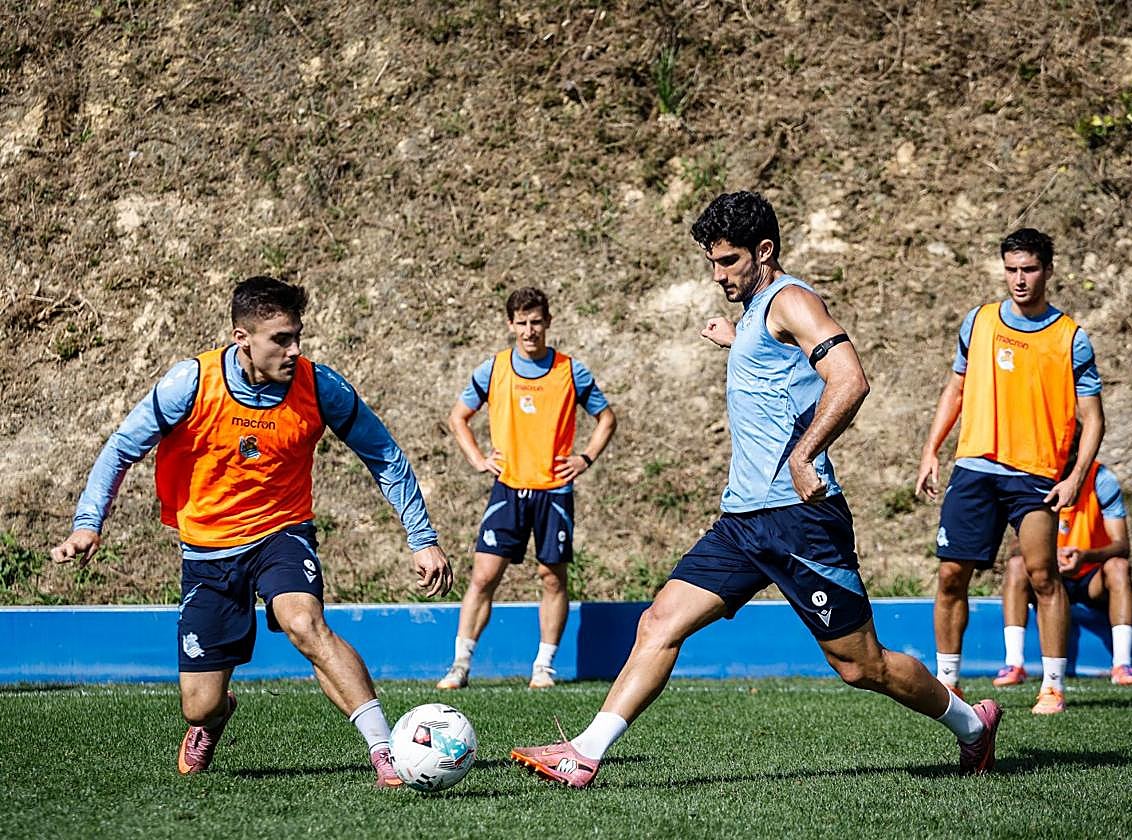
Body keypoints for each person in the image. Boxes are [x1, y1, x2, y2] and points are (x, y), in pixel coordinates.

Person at [510, 191, 1002, 789]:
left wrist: (805, 453)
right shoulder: (756, 313)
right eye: (712, 263)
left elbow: (850, 378)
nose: (718, 275)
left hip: (801, 520)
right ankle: (583, 754)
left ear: (764, 251)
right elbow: (773, 362)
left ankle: (972, 725)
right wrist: (736, 336)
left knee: (861, 666)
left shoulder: (792, 299)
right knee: (658, 622)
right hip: (742, 521)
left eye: (728, 261)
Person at [51, 277, 453, 787]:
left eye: (297, 336)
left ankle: (385, 751)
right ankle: (215, 718)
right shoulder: (191, 384)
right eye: (280, 339)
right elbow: (121, 448)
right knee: (199, 705)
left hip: (282, 532)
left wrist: (422, 539)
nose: (294, 350)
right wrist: (88, 524)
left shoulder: (320, 387)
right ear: (242, 338)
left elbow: (384, 455)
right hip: (208, 549)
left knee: (304, 623)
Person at [916, 228, 1105, 715]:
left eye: (1029, 269)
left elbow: (1093, 419)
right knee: (951, 574)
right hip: (974, 467)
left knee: (1043, 575)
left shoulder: (1070, 338)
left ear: (1048, 270)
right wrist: (931, 449)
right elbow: (956, 389)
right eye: (1012, 269)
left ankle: (1052, 687)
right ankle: (948, 684)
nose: (1019, 279)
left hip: (1036, 475)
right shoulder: (978, 322)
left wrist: (1075, 478)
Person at [436, 287, 616, 690]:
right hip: (508, 488)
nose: (529, 330)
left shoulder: (570, 371)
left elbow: (606, 418)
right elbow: (458, 417)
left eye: (536, 322)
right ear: (510, 324)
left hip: (555, 491)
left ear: (548, 322)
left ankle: (543, 667)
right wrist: (478, 459)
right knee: (484, 576)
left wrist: (585, 458)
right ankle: (460, 665)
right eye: (522, 322)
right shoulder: (494, 369)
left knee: (552, 577)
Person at [994, 459, 1132, 686]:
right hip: (1046, 574)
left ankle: (1122, 665)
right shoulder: (1034, 474)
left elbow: (1122, 545)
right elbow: (1015, 546)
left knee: (1119, 567)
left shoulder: (1100, 479)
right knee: (1016, 565)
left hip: (1091, 577)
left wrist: (1084, 556)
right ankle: (1014, 664)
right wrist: (1045, 553)